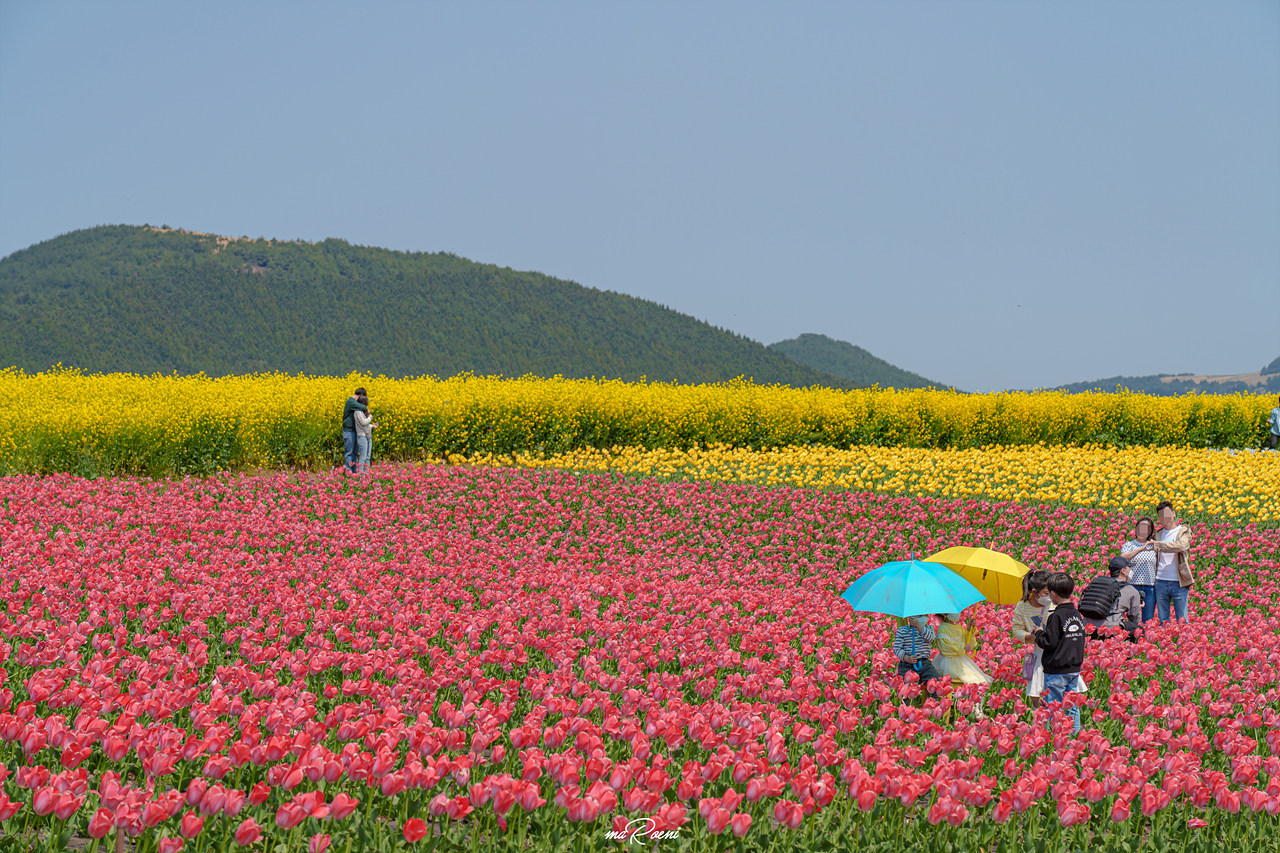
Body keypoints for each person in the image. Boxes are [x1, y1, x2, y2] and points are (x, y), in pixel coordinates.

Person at [1033, 572, 1087, 734]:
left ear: (1053, 595)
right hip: (1073, 669)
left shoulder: (1056, 616)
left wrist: (1039, 633)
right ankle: (1073, 735)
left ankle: (1057, 737)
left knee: (1055, 705)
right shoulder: (1076, 614)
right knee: (1072, 706)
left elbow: (1049, 642)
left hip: (1056, 670)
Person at [1011, 570, 1051, 708]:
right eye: (1046, 594)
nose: (1050, 597)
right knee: (1035, 689)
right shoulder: (1023, 606)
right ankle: (1039, 716)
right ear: (1035, 592)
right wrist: (1028, 636)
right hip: (1037, 651)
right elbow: (1016, 629)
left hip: (1054, 650)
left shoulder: (1053, 605)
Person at [1151, 500, 1195, 623]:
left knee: (1182, 619)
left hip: (1178, 581)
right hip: (1160, 580)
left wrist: (1159, 545)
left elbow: (1181, 546)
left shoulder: (1183, 531)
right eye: (1162, 515)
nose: (1165, 518)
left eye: (1167, 514)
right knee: (1163, 619)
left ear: (1174, 514)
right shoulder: (1157, 534)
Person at [1079, 556, 1142, 641]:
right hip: (1110, 630)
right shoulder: (1130, 590)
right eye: (1129, 568)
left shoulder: (1098, 583)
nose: (1131, 571)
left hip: (1087, 627)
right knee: (1138, 630)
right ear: (1123, 571)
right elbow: (1134, 617)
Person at [934, 612, 992, 686]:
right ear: (944, 613)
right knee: (967, 679)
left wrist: (969, 629)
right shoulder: (942, 628)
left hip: (961, 660)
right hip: (948, 662)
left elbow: (968, 643)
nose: (957, 614)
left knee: (978, 679)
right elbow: (944, 647)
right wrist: (962, 647)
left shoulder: (959, 627)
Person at [1120, 517, 1158, 622]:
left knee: (1148, 618)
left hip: (1150, 587)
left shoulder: (1154, 546)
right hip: (1132, 585)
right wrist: (1141, 549)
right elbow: (1123, 558)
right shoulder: (1129, 545)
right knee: (1132, 617)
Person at [893, 615, 942, 691]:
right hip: (907, 665)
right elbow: (897, 648)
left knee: (936, 683)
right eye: (919, 616)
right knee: (905, 687)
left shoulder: (929, 629)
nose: (923, 617)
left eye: (925, 615)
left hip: (925, 664)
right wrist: (907, 658)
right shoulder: (902, 630)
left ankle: (931, 701)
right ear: (910, 617)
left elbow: (930, 638)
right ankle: (908, 702)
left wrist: (920, 627)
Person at [341, 388, 369, 474]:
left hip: (355, 431)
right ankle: (349, 472)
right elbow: (363, 407)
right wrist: (366, 410)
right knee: (349, 452)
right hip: (349, 431)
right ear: (360, 395)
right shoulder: (350, 402)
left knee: (355, 453)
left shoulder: (354, 403)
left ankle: (354, 472)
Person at [353, 392, 378, 475]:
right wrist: (370, 418)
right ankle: (360, 475)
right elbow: (363, 423)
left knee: (368, 457)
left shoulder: (363, 412)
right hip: (362, 437)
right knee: (363, 457)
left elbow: (365, 425)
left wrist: (372, 426)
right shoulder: (357, 412)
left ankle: (366, 474)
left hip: (367, 436)